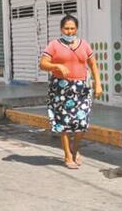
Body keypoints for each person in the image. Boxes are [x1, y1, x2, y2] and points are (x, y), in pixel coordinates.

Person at [38, 14, 102, 170]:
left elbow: (93, 65)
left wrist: (98, 84)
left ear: (76, 29)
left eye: (72, 28)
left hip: (82, 88)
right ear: (61, 29)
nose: (69, 31)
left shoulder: (84, 45)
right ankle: (67, 155)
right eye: (66, 28)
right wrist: (56, 66)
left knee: (81, 123)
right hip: (61, 88)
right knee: (64, 123)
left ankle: (74, 148)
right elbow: (43, 63)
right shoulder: (54, 45)